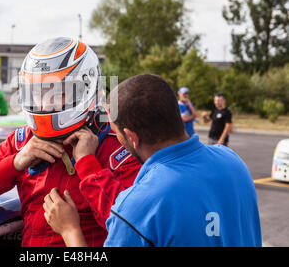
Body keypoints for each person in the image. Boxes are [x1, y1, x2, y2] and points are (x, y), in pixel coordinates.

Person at [0, 37, 142, 247]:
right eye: (37, 93)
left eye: (57, 92)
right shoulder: (23, 141)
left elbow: (135, 230)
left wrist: (88, 165)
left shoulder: (120, 147)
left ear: (87, 86)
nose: (43, 103)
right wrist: (14, 163)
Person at [43, 74, 261, 247]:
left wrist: (69, 230)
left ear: (131, 137)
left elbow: (135, 215)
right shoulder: (233, 161)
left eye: (115, 130)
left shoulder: (137, 206)